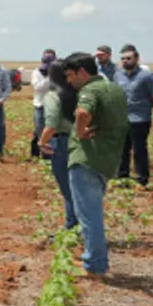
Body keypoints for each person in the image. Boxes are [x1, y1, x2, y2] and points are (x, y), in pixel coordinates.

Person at [64, 52, 129, 277]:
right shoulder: (115, 88)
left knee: (89, 215)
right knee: (93, 212)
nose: (69, 81)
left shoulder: (89, 90)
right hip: (108, 159)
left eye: (71, 75)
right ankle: (94, 258)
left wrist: (80, 133)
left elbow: (83, 112)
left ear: (83, 72)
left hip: (87, 159)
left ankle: (95, 265)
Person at [37, 62, 77, 230]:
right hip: (81, 141)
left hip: (61, 142)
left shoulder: (53, 96)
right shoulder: (79, 93)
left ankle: (71, 226)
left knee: (68, 189)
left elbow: (51, 125)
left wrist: (41, 142)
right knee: (78, 185)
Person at [113, 44, 153, 186]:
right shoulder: (118, 75)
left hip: (140, 119)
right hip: (122, 118)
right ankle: (122, 175)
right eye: (123, 59)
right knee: (122, 148)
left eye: (128, 58)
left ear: (137, 59)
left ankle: (142, 177)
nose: (125, 61)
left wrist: (144, 107)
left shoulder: (146, 76)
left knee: (139, 149)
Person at [30, 50, 57, 159]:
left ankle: (49, 156)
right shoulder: (36, 72)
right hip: (40, 104)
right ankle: (36, 154)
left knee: (52, 129)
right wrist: (49, 77)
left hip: (54, 105)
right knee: (39, 130)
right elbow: (38, 87)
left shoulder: (59, 73)